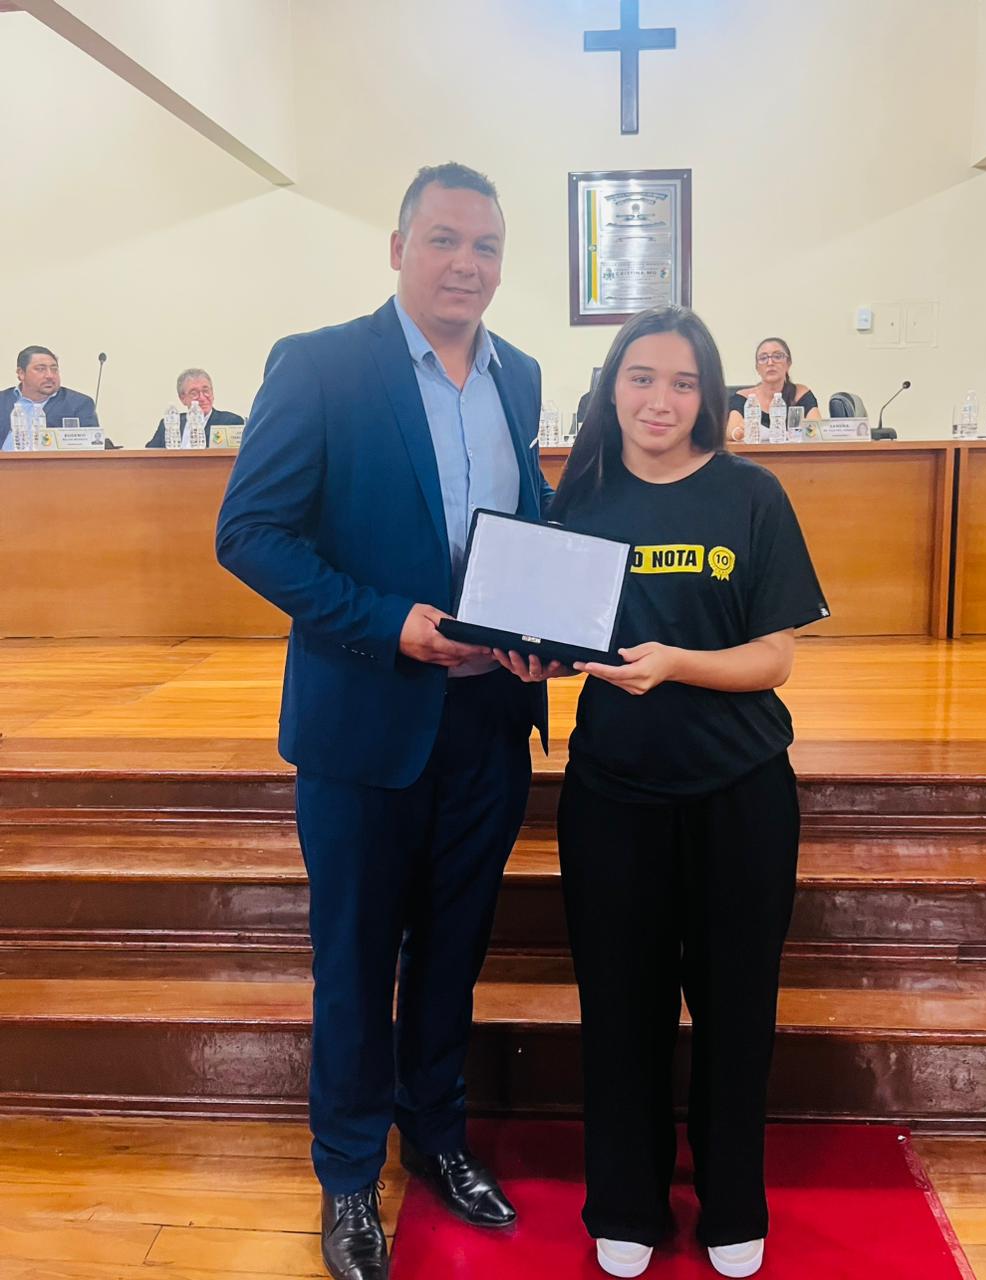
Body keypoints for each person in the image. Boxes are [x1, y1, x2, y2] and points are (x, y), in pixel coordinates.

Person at [216, 162, 553, 1280]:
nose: (467, 264)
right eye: (444, 240)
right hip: (366, 719)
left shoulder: (519, 376)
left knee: (453, 953)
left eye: (486, 246)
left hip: (487, 720)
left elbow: (522, 523)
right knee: (357, 963)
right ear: (399, 246)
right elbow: (250, 533)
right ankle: (351, 1175)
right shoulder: (320, 366)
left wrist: (540, 624)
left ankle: (437, 1136)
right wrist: (388, 624)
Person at [546, 306, 828, 1278]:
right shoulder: (578, 497)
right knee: (618, 1006)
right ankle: (624, 1201)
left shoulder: (750, 496)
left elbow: (775, 657)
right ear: (610, 386)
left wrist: (676, 663)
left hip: (739, 793)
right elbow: (556, 638)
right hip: (611, 796)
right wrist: (530, 655)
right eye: (640, 377)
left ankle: (731, 1203)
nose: (658, 399)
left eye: (680, 381)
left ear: (708, 394)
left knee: (735, 1006)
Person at [0, 346, 99, 449]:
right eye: (40, 369)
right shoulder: (2, 401)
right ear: (21, 373)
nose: (50, 375)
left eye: (54, 369)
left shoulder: (78, 404)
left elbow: (91, 448)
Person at [725, 337, 820, 441]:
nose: (770, 363)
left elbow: (816, 430)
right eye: (763, 358)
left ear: (788, 364)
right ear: (757, 368)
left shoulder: (801, 394)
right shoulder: (744, 398)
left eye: (777, 356)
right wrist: (738, 433)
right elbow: (730, 432)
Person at [145, 368, 245, 447]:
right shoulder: (170, 424)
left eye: (206, 391)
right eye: (194, 393)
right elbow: (150, 455)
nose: (202, 397)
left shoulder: (230, 422)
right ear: (182, 398)